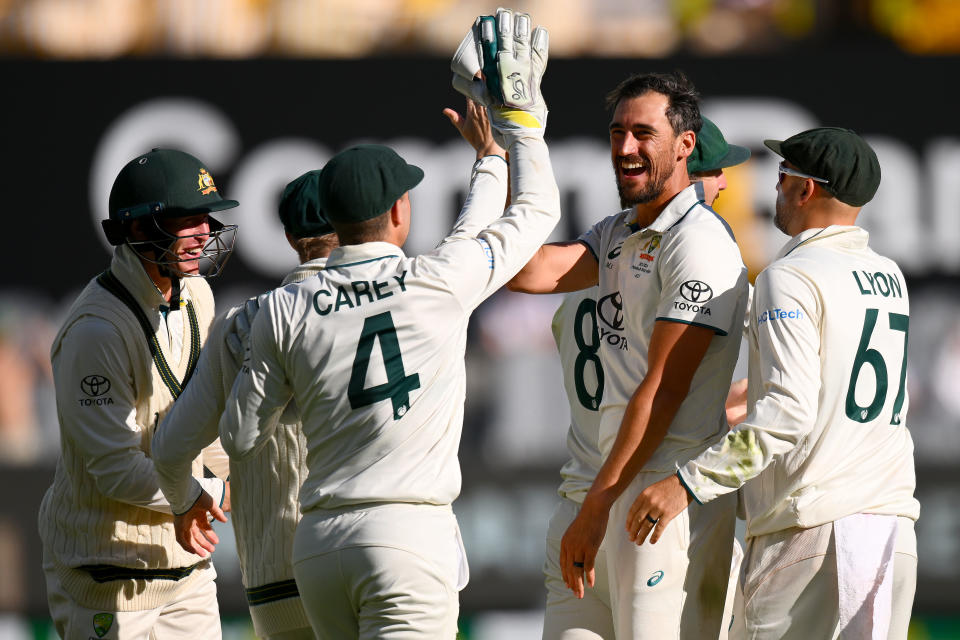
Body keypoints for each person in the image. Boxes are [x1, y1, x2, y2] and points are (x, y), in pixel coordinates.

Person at [218, 9, 558, 638]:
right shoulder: (435, 282)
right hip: (407, 538)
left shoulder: (288, 309)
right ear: (401, 211)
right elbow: (532, 211)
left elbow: (239, 436)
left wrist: (299, 393)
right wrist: (518, 130)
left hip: (318, 548)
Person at [627, 127, 920, 640]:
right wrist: (747, 396)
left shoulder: (792, 275)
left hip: (814, 532)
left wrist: (687, 483)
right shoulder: (887, 275)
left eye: (783, 176)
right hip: (893, 533)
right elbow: (828, 388)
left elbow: (787, 414)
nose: (775, 188)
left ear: (807, 189)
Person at [508, 71, 749, 639]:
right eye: (618, 132)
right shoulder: (619, 230)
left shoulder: (702, 240)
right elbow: (527, 271)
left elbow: (663, 389)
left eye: (643, 133)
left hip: (657, 504)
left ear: (684, 144)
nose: (625, 147)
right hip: (595, 493)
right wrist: (504, 151)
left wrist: (598, 507)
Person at [38, 148, 237, 639]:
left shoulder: (198, 295)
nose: (203, 234)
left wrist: (235, 479)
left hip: (186, 570)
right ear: (137, 230)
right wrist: (205, 494)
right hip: (106, 573)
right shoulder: (95, 331)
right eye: (184, 222)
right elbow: (114, 469)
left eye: (204, 220)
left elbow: (203, 414)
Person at [152, 168, 341, 639]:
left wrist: (188, 501)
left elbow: (171, 448)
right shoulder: (393, 302)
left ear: (289, 236)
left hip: (272, 585)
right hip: (359, 558)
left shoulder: (239, 322)